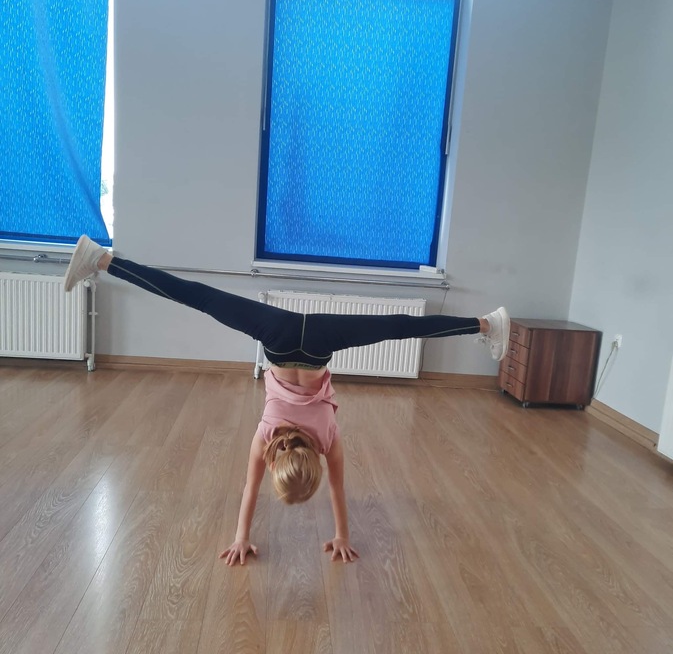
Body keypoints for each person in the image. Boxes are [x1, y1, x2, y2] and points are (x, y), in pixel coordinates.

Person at [64, 235, 510, 565]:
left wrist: (342, 535)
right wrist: (241, 536)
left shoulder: (327, 438)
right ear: (279, 459)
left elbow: (337, 488)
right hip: (278, 339)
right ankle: (487, 324)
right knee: (198, 297)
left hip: (317, 341)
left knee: (399, 327)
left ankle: (101, 259)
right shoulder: (265, 439)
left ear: (312, 460)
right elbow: (250, 488)